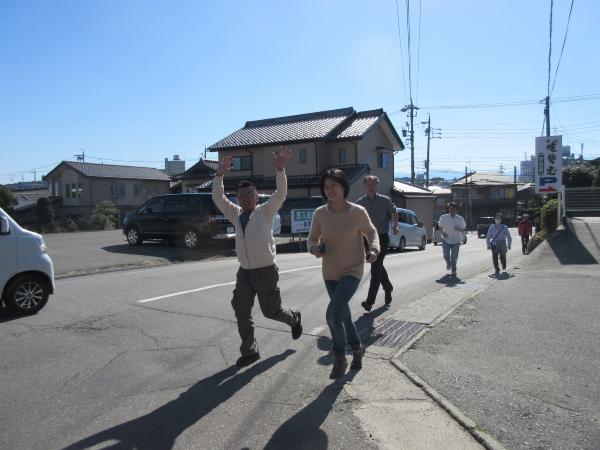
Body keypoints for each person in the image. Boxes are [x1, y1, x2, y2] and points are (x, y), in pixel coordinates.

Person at [212, 148, 302, 368]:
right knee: (241, 309)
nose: (245, 199)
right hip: (245, 271)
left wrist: (280, 169)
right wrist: (219, 175)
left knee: (271, 311)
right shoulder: (235, 213)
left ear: (257, 195)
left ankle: (293, 318)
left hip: (266, 270)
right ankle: (250, 350)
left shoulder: (266, 211)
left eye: (249, 195)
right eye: (241, 196)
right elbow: (217, 197)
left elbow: (281, 193)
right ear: (238, 198)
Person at [307, 169, 380, 379]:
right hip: (330, 272)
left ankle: (340, 358)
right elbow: (312, 238)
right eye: (326, 187)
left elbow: (371, 231)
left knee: (333, 314)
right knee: (343, 315)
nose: (330, 190)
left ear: (343, 186)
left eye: (334, 185)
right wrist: (314, 248)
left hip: (352, 270)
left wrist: (373, 249)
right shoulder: (320, 213)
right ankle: (357, 349)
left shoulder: (357, 212)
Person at [356, 175, 399, 311]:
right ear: (364, 187)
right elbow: (356, 221)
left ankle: (369, 302)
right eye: (368, 184)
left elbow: (394, 211)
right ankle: (388, 287)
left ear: (377, 186)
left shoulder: (385, 200)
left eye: (373, 184)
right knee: (378, 265)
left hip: (382, 237)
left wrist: (395, 225)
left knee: (375, 269)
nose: (371, 187)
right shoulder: (360, 202)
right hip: (367, 239)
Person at [438, 202, 467, 277]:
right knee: (446, 255)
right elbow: (440, 226)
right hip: (446, 240)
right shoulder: (444, 217)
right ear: (448, 209)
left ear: (455, 209)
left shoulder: (460, 219)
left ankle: (454, 270)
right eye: (450, 208)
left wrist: (458, 229)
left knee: (454, 257)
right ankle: (448, 263)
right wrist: (443, 233)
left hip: (456, 241)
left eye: (453, 208)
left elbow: (463, 230)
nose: (451, 210)